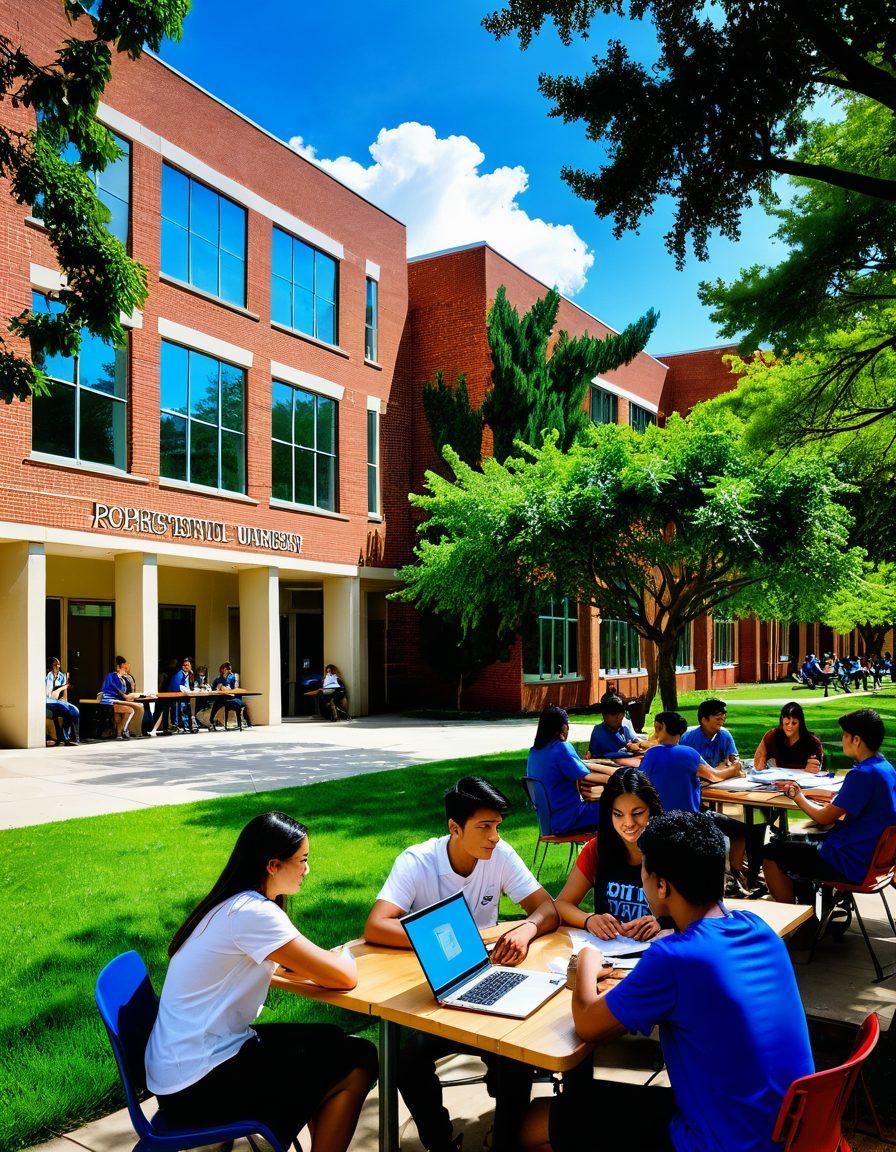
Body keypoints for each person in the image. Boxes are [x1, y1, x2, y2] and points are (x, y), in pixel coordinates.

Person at [521, 811, 814, 1152]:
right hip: (783, 1129)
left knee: (534, 1123)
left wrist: (587, 962)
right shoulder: (756, 927)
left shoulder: (675, 960)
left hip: (719, 1141)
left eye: (644, 870)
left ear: (662, 885)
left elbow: (587, 1024)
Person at [145, 812, 377, 1152]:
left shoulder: (232, 903)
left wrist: (313, 962)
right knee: (360, 1058)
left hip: (181, 1070)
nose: (307, 870)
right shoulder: (254, 914)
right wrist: (342, 958)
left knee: (328, 1039)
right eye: (302, 860)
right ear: (273, 865)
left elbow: (285, 962)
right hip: (198, 1086)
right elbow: (344, 976)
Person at [364, 776, 559, 1152]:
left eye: (497, 826)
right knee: (405, 1057)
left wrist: (526, 930)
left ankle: (505, 1143)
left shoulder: (499, 856)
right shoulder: (417, 861)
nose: (495, 837)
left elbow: (546, 907)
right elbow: (377, 925)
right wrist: (449, 944)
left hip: (483, 981)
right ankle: (440, 1142)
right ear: (455, 828)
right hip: (438, 991)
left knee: (515, 1054)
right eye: (484, 827)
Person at [763, 708, 896, 902]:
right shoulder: (885, 767)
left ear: (856, 740)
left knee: (771, 852)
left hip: (850, 861)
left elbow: (824, 817)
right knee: (796, 841)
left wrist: (798, 796)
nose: (842, 739)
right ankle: (810, 914)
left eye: (845, 735)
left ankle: (797, 922)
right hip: (875, 860)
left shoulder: (862, 775)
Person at [641, 711, 751, 890]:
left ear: (660, 728)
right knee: (740, 831)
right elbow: (714, 776)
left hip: (659, 819)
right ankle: (735, 876)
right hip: (692, 819)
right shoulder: (689, 754)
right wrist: (734, 769)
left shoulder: (651, 755)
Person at [554, 767, 665, 942]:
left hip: (657, 951)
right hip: (608, 954)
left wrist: (662, 923)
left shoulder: (671, 848)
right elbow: (561, 904)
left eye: (637, 813)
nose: (628, 823)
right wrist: (588, 920)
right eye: (618, 814)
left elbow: (700, 914)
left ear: (651, 809)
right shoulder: (596, 849)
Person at [527, 705, 618, 835]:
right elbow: (587, 776)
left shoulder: (534, 752)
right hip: (569, 818)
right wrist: (620, 778)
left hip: (548, 822)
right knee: (618, 808)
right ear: (563, 727)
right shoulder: (561, 747)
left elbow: (578, 767)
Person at [753, 701, 824, 772]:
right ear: (782, 722)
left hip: (802, 779)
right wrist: (761, 763)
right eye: (786, 723)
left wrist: (813, 767)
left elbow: (816, 768)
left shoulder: (812, 742)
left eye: (794, 723)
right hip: (777, 778)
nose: (790, 726)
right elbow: (758, 764)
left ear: (800, 724)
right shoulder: (772, 736)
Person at [587, 695, 648, 760]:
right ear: (604, 715)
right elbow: (598, 755)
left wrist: (636, 745)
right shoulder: (598, 732)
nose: (617, 717)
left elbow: (634, 740)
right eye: (613, 714)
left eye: (620, 713)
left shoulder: (624, 729)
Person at [100, 656, 144, 740]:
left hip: (117, 700)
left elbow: (124, 691)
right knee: (131, 710)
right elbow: (114, 688)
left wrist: (128, 696)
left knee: (137, 706)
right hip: (109, 700)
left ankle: (122, 732)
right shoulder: (112, 676)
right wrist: (124, 696)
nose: (127, 666)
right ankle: (123, 730)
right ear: (121, 666)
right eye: (125, 664)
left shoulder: (123, 678)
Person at [45, 657, 80, 745]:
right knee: (65, 710)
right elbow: (50, 694)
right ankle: (66, 739)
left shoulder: (61, 676)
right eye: (55, 665)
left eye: (58, 664)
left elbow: (64, 693)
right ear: (51, 666)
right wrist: (63, 687)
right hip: (49, 701)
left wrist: (64, 700)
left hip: (59, 701)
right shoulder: (49, 675)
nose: (57, 666)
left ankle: (76, 738)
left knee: (75, 711)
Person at [209, 662, 251, 731]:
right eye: (225, 669)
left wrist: (228, 689)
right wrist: (218, 688)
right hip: (221, 697)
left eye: (228, 669)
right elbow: (213, 688)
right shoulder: (218, 678)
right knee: (215, 705)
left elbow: (235, 688)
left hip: (230, 697)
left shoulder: (232, 677)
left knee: (239, 704)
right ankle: (211, 721)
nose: (226, 670)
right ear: (222, 669)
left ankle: (241, 723)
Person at [167, 656, 196, 733]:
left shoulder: (190, 674)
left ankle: (188, 725)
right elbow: (176, 687)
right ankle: (178, 726)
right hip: (176, 695)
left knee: (189, 705)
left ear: (191, 666)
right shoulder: (179, 674)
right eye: (184, 665)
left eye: (187, 665)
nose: (185, 667)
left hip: (185, 695)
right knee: (182, 707)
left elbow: (192, 686)